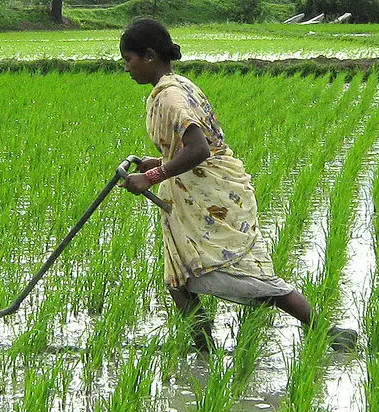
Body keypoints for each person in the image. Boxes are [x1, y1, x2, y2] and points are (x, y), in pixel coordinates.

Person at [118, 18, 357, 352]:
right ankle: (204, 352)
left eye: (128, 60)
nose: (126, 68)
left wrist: (152, 176)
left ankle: (327, 332)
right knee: (178, 277)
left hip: (209, 196)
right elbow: (191, 148)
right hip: (194, 191)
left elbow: (200, 150)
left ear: (149, 56)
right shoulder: (178, 85)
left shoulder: (171, 97)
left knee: (248, 276)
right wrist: (158, 161)